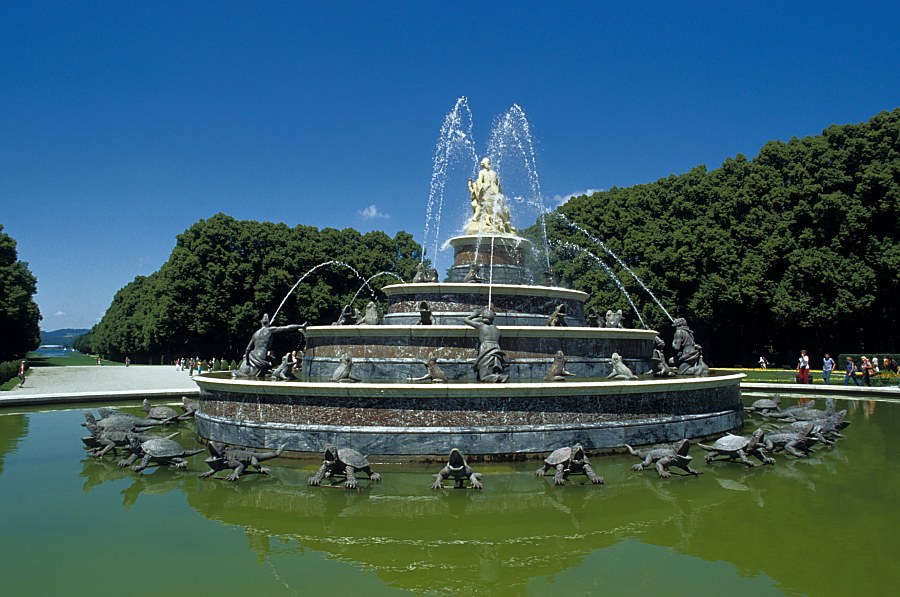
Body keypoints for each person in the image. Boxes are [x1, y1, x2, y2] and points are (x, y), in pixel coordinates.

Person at [237, 313, 307, 377]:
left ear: (261, 322)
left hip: (253, 356)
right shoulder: (269, 330)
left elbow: (247, 349)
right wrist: (301, 326)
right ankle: (265, 370)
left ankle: (263, 370)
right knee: (275, 361)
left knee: (272, 361)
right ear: (267, 322)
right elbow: (287, 328)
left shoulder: (255, 334)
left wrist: (247, 361)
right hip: (262, 357)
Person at [463, 306, 509, 382]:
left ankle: (500, 377)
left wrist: (475, 314)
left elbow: (465, 320)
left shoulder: (481, 326)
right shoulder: (497, 330)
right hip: (496, 348)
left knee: (483, 377)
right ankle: (497, 376)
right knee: (492, 368)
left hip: (486, 348)